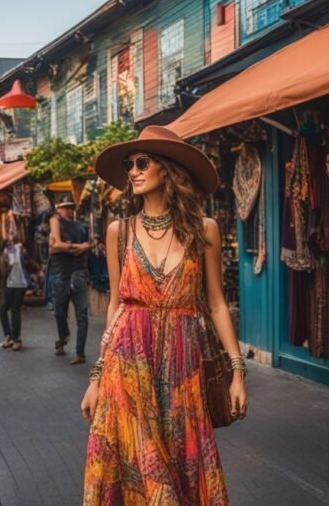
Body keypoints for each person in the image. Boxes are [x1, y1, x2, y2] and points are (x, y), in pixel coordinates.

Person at [81, 126, 248, 505]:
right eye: (129, 165)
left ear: (168, 169)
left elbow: (217, 303)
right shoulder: (117, 232)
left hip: (183, 373)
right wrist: (97, 375)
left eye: (143, 162)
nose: (134, 171)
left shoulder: (204, 231)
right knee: (137, 472)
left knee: (182, 469)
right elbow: (116, 308)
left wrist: (237, 371)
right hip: (126, 371)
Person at [48, 200, 91, 365]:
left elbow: (87, 244)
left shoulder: (79, 226)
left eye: (72, 208)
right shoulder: (55, 221)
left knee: (82, 314)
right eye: (66, 208)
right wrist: (76, 247)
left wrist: (81, 246)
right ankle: (63, 337)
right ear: (58, 209)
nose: (69, 211)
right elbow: (54, 247)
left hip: (78, 273)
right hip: (61, 274)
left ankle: (80, 352)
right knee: (59, 311)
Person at [0, 234, 32, 351]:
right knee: (2, 308)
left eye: (12, 234)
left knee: (15, 309)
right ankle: (9, 336)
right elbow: (2, 267)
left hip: (20, 283)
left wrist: (22, 252)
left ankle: (17, 339)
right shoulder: (5, 250)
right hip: (9, 284)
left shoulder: (21, 249)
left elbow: (27, 261)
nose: (10, 236)